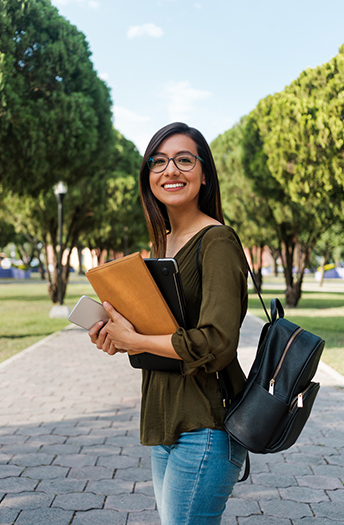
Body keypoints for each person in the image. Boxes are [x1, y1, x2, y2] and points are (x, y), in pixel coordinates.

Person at [88, 122, 248, 524]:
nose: (169, 170)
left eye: (183, 160)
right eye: (157, 162)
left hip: (206, 425)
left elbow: (218, 342)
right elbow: (158, 333)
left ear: (204, 172)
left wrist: (137, 338)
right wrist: (119, 337)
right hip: (167, 422)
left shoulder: (217, 241)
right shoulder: (163, 244)